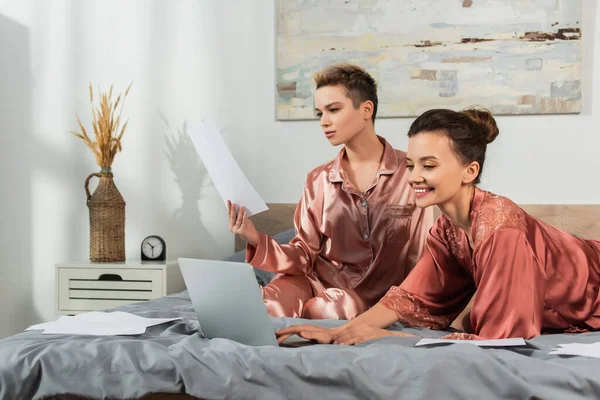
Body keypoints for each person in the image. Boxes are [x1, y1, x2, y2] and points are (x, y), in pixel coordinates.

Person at [276, 107, 600, 342]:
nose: (414, 176)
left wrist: (386, 338)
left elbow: (501, 339)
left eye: (428, 165)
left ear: (469, 171)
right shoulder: (446, 228)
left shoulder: (501, 226)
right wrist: (340, 331)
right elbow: (411, 297)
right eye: (411, 165)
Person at [227, 63, 434, 320]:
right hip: (314, 282)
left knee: (327, 310)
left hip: (376, 296)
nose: (324, 122)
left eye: (334, 110)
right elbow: (303, 253)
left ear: (366, 109)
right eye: (319, 113)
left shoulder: (412, 172)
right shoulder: (318, 180)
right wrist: (254, 238)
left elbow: (426, 251)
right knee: (267, 305)